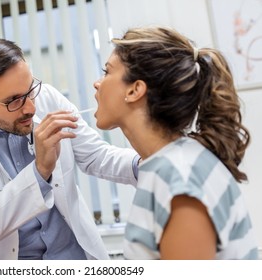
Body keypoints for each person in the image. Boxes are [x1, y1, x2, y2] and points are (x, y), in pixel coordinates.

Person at [0, 38, 140, 260]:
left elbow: (96, 156)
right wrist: (40, 171)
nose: (31, 107)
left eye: (30, 90)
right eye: (14, 100)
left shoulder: (47, 98)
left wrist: (145, 163)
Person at [93, 26, 258, 259]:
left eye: (106, 72)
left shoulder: (179, 179)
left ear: (135, 90)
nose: (97, 84)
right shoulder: (168, 163)